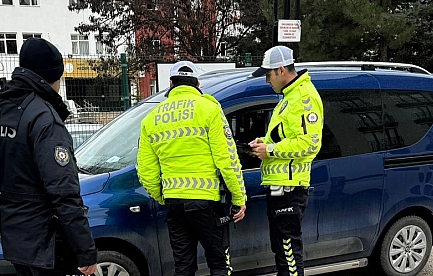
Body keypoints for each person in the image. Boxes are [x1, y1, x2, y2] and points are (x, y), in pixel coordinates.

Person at [0, 38, 97, 276]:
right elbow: (63, 190)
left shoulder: (3, 108)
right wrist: (85, 250)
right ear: (53, 77)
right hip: (46, 243)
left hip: (16, 235)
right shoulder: (43, 118)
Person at [137, 60, 247, 276]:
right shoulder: (210, 109)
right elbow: (228, 160)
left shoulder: (151, 118)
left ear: (171, 83)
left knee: (184, 267)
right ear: (197, 83)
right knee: (218, 264)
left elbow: (146, 171)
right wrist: (239, 197)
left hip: (174, 203)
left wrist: (163, 196)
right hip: (206, 203)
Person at [248, 46, 323, 276]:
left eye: (268, 75)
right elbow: (286, 137)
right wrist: (264, 142)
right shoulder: (288, 97)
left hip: (289, 190)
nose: (267, 80)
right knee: (282, 252)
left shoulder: (304, 97)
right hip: (280, 188)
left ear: (281, 70)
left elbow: (310, 143)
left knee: (289, 256)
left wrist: (269, 150)